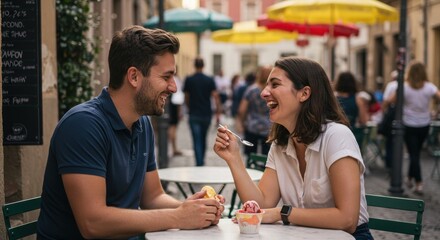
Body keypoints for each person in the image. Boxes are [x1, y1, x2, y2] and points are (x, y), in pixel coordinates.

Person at [37, 26, 224, 239]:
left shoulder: (141, 123)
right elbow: (93, 223)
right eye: (166, 77)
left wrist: (195, 209)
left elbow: (152, 197)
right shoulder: (82, 125)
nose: (173, 87)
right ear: (134, 76)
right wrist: (178, 217)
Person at [214, 57, 372, 239]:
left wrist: (283, 213)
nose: (263, 93)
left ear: (304, 93)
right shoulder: (281, 144)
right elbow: (262, 206)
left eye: (275, 85)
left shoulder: (336, 137)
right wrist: (234, 159)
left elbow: (347, 220)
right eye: (266, 86)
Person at [387, 61, 440, 195]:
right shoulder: (429, 87)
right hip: (424, 124)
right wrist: (436, 112)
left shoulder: (404, 87)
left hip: (408, 124)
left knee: (413, 154)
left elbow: (390, 100)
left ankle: (419, 183)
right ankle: (411, 179)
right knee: (415, 153)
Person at [183, 57, 222, 166]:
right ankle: (201, 161)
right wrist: (218, 112)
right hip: (206, 113)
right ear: (203, 65)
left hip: (194, 113)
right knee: (204, 139)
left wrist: (188, 107)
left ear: (194, 65)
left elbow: (186, 96)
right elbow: (216, 97)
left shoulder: (189, 79)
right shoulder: (209, 79)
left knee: (196, 140)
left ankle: (199, 163)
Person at [237, 65, 272, 160]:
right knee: (267, 158)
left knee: (250, 156)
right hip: (269, 128)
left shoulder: (252, 90)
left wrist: (242, 123)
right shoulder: (273, 91)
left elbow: (242, 110)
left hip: (252, 126)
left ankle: (250, 172)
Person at [168, 71, 184, 156]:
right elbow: (179, 96)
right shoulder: (176, 79)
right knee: (173, 127)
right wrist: (179, 111)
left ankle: (172, 148)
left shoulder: (168, 79)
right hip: (174, 105)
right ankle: (173, 148)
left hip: (170, 104)